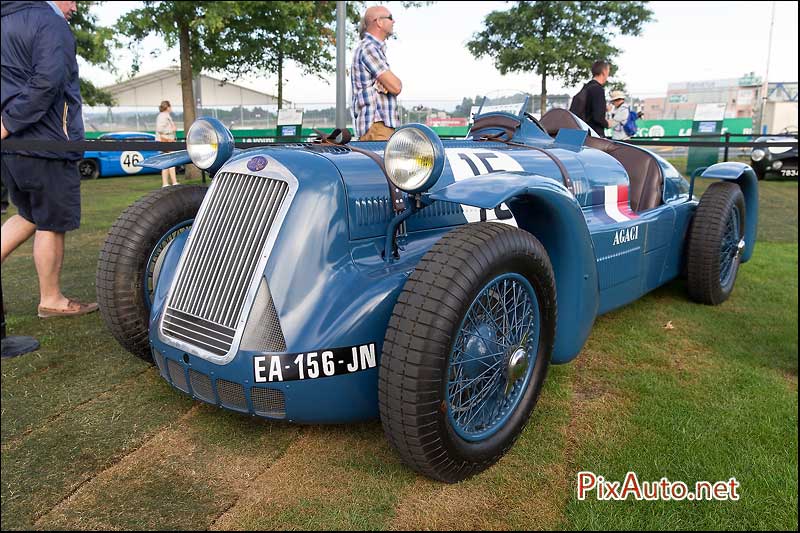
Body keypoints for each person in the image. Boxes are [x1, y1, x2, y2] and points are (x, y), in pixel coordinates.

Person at [0, 0, 98, 318]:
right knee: (53, 223)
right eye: (72, 0)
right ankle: (51, 299)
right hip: (46, 143)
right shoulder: (50, 23)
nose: (75, 7)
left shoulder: (6, 20)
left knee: (28, 214)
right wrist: (8, 122)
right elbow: (47, 82)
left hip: (14, 147)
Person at [350, 5, 403, 141]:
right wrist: (388, 83)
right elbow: (396, 87)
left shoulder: (372, 49)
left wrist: (385, 82)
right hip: (377, 128)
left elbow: (390, 86)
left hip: (378, 127)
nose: (394, 22)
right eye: (390, 18)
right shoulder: (369, 49)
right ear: (379, 22)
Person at [569, 60, 611, 137]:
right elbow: (597, 117)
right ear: (604, 72)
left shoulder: (586, 87)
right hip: (594, 134)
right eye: (608, 71)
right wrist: (607, 124)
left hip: (582, 132)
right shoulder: (598, 89)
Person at [155, 100, 178, 187]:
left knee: (167, 161)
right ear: (167, 107)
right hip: (166, 141)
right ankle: (173, 182)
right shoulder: (163, 116)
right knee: (171, 160)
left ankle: (166, 183)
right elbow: (160, 129)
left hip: (167, 140)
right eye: (170, 106)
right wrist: (172, 130)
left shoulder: (164, 116)